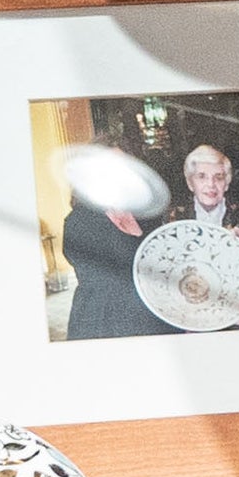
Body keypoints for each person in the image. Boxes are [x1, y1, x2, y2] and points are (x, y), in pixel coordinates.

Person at [52, 140, 163, 340]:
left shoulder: (148, 217)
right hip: (102, 323)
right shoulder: (78, 221)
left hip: (150, 320)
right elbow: (111, 276)